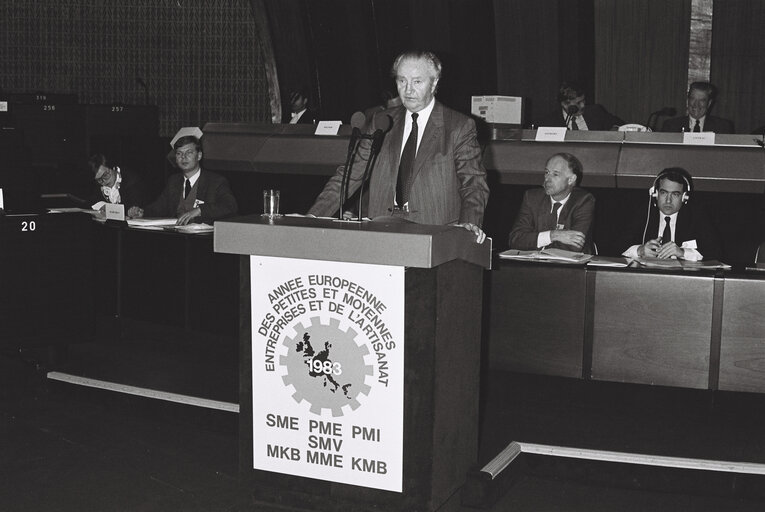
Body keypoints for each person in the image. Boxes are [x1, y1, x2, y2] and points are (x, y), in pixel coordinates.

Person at [308, 50, 489, 243]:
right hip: (381, 232)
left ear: (434, 82)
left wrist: (469, 223)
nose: (408, 90)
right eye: (402, 81)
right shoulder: (381, 121)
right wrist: (313, 216)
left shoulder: (459, 126)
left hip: (436, 235)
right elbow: (350, 175)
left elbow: (474, 184)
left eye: (417, 82)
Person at [127, 132, 238, 225]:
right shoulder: (173, 181)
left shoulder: (216, 181)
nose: (183, 157)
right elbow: (159, 207)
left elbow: (230, 206)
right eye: (179, 153)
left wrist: (199, 211)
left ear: (199, 156)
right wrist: (142, 212)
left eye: (189, 153)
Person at [622, 167, 721, 261]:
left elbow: (715, 253)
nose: (668, 200)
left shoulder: (697, 216)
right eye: (664, 193)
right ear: (655, 194)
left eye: (675, 194)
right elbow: (616, 248)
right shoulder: (643, 213)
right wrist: (639, 250)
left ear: (684, 197)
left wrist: (683, 252)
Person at [508, 152, 595, 253]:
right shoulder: (532, 198)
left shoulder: (584, 201)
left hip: (571, 266)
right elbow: (515, 239)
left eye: (555, 174)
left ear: (571, 179)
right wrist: (553, 235)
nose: (547, 179)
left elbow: (574, 246)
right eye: (546, 172)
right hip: (535, 266)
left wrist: (537, 242)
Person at [538, 81, 623, 131]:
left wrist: (615, 129)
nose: (583, 105)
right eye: (578, 103)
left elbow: (621, 125)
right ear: (564, 104)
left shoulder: (596, 112)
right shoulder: (549, 122)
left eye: (583, 100)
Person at [661, 82, 735, 134]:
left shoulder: (722, 127)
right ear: (688, 100)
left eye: (702, 100)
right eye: (693, 99)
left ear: (709, 103)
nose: (696, 104)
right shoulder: (671, 126)